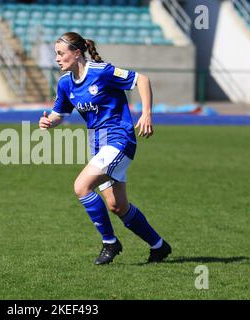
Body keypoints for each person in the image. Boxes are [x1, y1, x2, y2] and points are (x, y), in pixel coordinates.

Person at [39, 32, 172, 265]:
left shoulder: (102, 72)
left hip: (120, 140)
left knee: (81, 186)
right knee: (117, 206)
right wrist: (49, 121)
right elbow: (59, 114)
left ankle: (110, 242)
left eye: (61, 53)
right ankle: (159, 246)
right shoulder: (65, 83)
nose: (57, 59)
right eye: (56, 54)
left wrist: (147, 114)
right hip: (99, 145)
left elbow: (142, 79)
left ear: (77, 53)